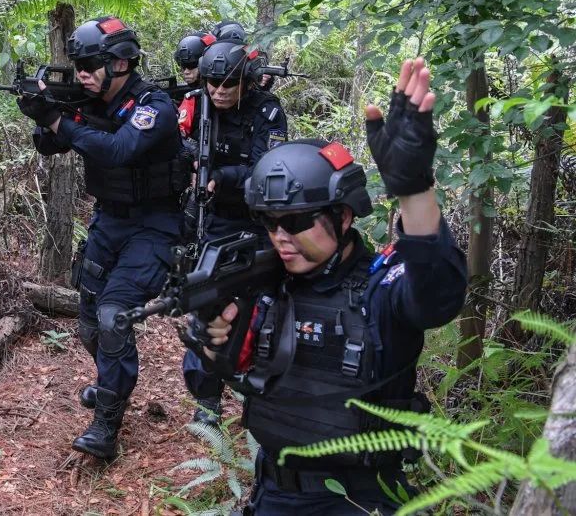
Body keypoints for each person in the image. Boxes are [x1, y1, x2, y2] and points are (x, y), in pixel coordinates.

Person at [193, 59, 467, 514]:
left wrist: (414, 190)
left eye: (296, 221)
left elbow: (437, 293)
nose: (281, 236)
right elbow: (219, 376)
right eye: (269, 222)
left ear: (342, 217)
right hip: (277, 491)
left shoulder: (379, 286)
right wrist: (214, 340)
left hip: (362, 498)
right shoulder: (265, 284)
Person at [17, 16, 190, 460]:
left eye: (91, 65)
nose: (83, 74)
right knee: (91, 321)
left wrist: (59, 118)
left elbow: (119, 150)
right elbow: (49, 144)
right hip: (109, 221)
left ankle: (106, 426)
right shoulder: (88, 102)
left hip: (155, 224)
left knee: (114, 315)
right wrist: (46, 113)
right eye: (78, 66)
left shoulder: (154, 105)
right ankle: (111, 381)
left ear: (121, 62)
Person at [179, 35, 288, 426]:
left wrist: (222, 177)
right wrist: (190, 163)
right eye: (213, 84)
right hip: (213, 221)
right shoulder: (197, 103)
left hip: (258, 223)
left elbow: (270, 169)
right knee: (208, 305)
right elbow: (176, 143)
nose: (220, 92)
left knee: (261, 310)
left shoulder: (268, 112)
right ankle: (207, 399)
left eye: (229, 85)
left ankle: (256, 393)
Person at [173, 31, 216, 136]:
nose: (186, 71)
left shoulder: (218, 93)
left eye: (192, 65)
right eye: (183, 66)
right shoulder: (191, 96)